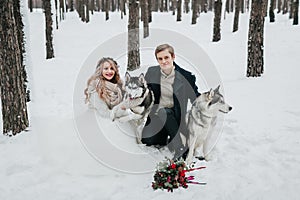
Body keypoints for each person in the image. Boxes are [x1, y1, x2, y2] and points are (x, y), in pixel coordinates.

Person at [141, 44, 200, 159]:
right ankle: (169, 137)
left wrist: (209, 100)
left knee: (165, 111)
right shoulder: (152, 72)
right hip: (157, 117)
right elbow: (143, 91)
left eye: (166, 57)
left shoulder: (186, 76)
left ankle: (180, 148)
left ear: (173, 57)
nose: (163, 61)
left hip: (175, 118)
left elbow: (195, 98)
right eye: (160, 59)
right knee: (148, 140)